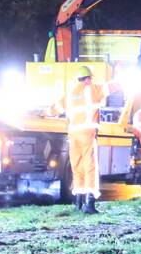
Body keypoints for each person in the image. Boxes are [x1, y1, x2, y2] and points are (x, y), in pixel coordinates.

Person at [47, 65, 120, 213]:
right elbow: (111, 87)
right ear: (88, 79)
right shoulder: (92, 90)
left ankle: (78, 203)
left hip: (73, 135)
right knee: (90, 167)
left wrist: (44, 112)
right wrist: (121, 77)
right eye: (90, 79)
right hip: (87, 133)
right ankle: (90, 204)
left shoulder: (70, 94)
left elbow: (53, 110)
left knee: (77, 167)